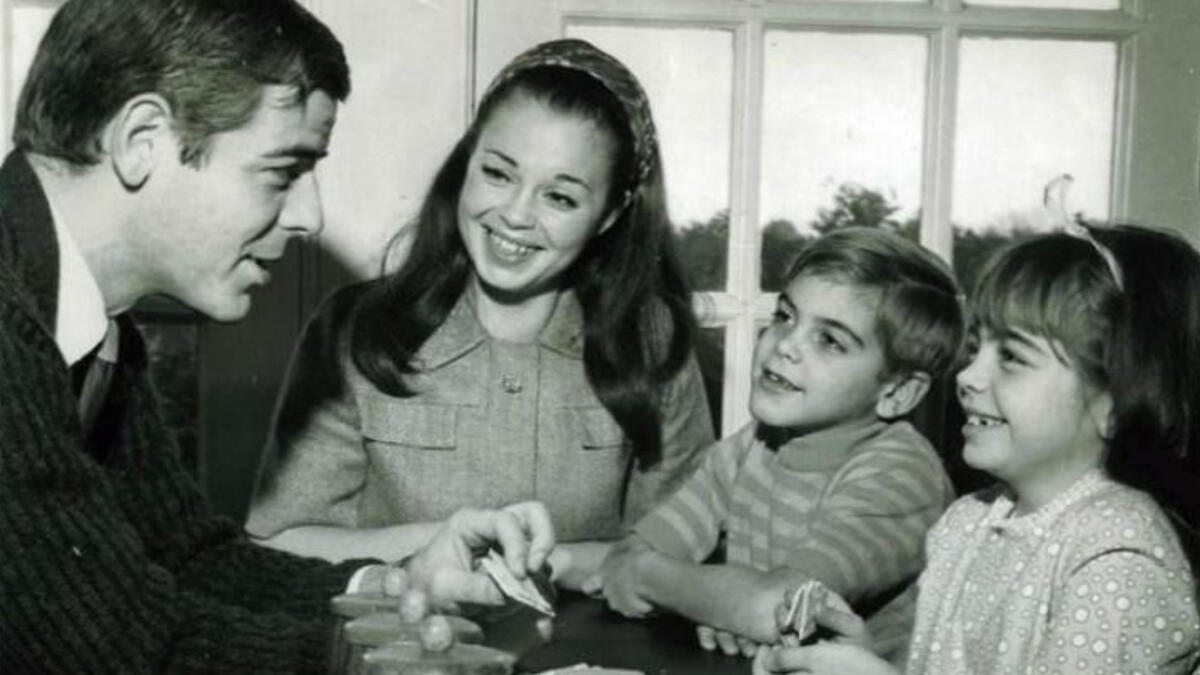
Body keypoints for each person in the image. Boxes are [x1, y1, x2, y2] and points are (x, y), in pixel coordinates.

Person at [0, 1, 555, 672]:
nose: (309, 216)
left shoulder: (91, 323)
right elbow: (129, 652)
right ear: (141, 138)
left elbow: (187, 559)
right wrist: (368, 660)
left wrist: (399, 587)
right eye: (282, 170)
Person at [246, 38, 714, 586]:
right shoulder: (356, 328)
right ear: (466, 164)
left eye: (559, 198)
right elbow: (279, 543)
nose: (515, 214)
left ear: (609, 216)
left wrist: (549, 564)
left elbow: (677, 558)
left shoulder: (655, 342)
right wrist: (440, 547)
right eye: (498, 173)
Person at [755, 223, 1200, 675]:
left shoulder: (1117, 561)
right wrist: (869, 659)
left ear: (1116, 402)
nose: (967, 377)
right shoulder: (970, 521)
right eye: (975, 349)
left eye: (1012, 357)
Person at [587, 227, 964, 660]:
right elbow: (637, 551)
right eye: (785, 316)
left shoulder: (901, 476)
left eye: (830, 340)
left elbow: (784, 609)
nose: (785, 345)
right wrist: (721, 603)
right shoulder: (755, 444)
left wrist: (653, 579)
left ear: (898, 392)